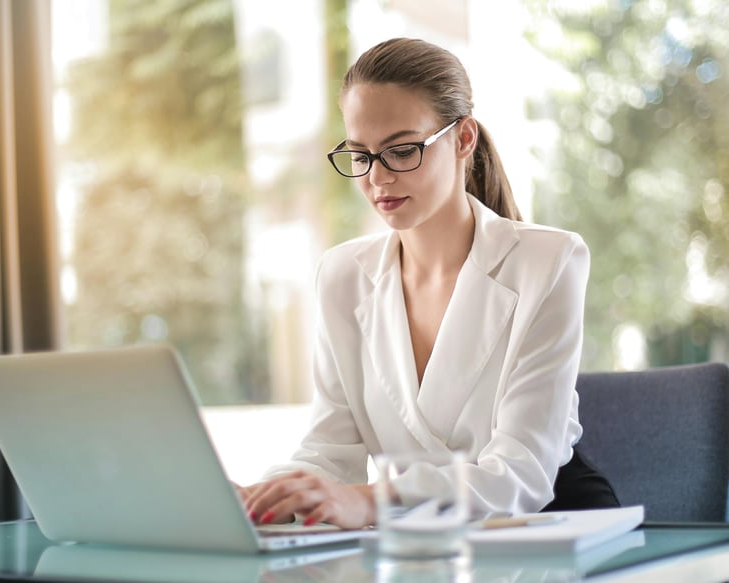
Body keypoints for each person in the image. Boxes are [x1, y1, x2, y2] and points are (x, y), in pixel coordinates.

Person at [242, 37, 619, 529]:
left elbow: (520, 475)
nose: (377, 178)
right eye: (360, 154)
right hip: (420, 538)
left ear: (463, 139)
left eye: (401, 151)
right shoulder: (342, 275)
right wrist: (264, 498)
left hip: (547, 527)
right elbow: (329, 450)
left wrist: (373, 502)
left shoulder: (548, 260)